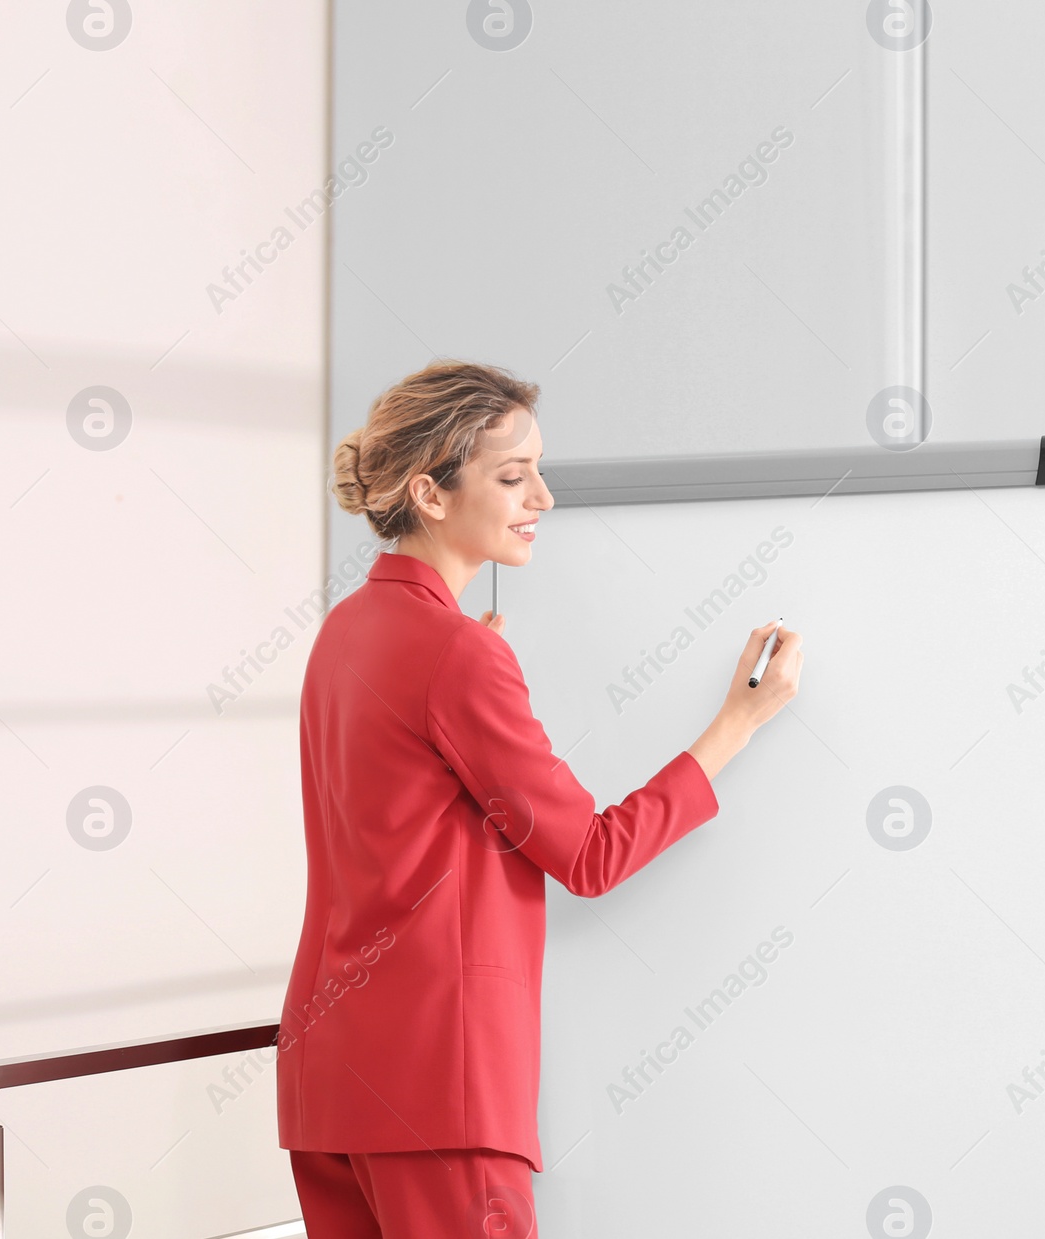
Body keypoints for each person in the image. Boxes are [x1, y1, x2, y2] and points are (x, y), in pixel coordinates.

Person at [276, 359, 803, 1237]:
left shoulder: (346, 632)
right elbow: (589, 855)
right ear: (430, 494)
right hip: (438, 1093)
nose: (543, 499)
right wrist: (733, 726)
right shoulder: (456, 654)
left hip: (328, 1083)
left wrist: (460, 679)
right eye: (514, 476)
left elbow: (395, 812)